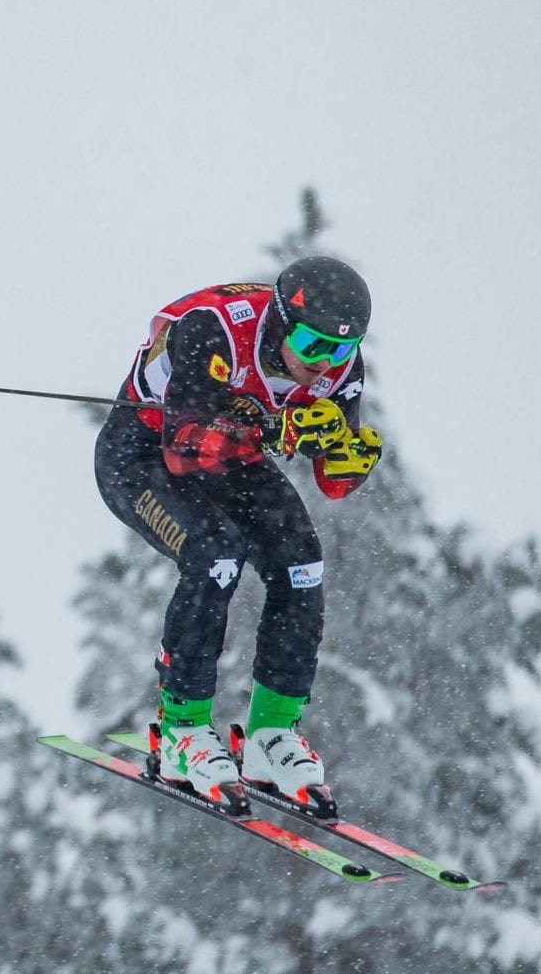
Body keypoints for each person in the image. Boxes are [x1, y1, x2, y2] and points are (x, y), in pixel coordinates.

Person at [94, 256, 387, 812]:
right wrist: (278, 428)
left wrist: (348, 459)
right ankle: (182, 730)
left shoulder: (340, 368)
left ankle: (271, 734)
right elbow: (182, 449)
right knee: (215, 554)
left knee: (301, 562)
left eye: (342, 349)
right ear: (279, 324)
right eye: (312, 344)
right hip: (141, 454)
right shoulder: (215, 330)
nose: (323, 363)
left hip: (232, 458)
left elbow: (333, 484)